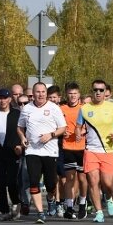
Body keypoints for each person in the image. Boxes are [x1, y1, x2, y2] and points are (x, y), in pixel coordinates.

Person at [17, 82, 66, 224]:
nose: (40, 94)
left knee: (51, 183)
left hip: (50, 151)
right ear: (33, 94)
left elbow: (62, 128)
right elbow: (20, 127)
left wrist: (50, 135)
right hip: (32, 150)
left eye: (43, 92)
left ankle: (50, 199)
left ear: (46, 93)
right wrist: (22, 137)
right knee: (34, 180)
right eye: (37, 92)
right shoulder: (27, 109)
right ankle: (40, 212)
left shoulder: (54, 108)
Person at [77, 80, 113, 223]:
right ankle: (99, 212)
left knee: (107, 183)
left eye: (101, 90)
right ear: (92, 91)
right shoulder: (85, 108)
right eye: (95, 90)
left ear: (105, 92)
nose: (98, 92)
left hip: (108, 150)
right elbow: (78, 125)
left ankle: (109, 198)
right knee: (93, 181)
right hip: (91, 150)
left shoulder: (112, 107)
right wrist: (78, 133)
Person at [0, 88, 23, 220]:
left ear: (9, 100)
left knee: (12, 181)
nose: (2, 101)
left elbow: (22, 130)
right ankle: (4, 211)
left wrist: (20, 145)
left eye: (5, 98)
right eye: (0, 98)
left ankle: (16, 203)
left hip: (13, 152)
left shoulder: (16, 114)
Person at [60, 82, 86, 219]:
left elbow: (90, 126)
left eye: (75, 93)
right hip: (68, 147)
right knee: (69, 178)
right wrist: (61, 133)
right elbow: (57, 124)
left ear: (79, 95)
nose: (72, 96)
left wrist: (82, 131)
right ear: (67, 95)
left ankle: (82, 203)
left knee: (82, 178)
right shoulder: (61, 108)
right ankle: (69, 207)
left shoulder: (84, 108)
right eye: (70, 93)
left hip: (82, 147)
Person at [46, 85, 65, 217]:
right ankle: (51, 199)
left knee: (63, 178)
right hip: (48, 147)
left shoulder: (63, 110)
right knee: (52, 179)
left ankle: (60, 203)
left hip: (63, 147)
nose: (52, 99)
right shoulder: (44, 110)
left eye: (54, 97)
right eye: (50, 97)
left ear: (59, 98)